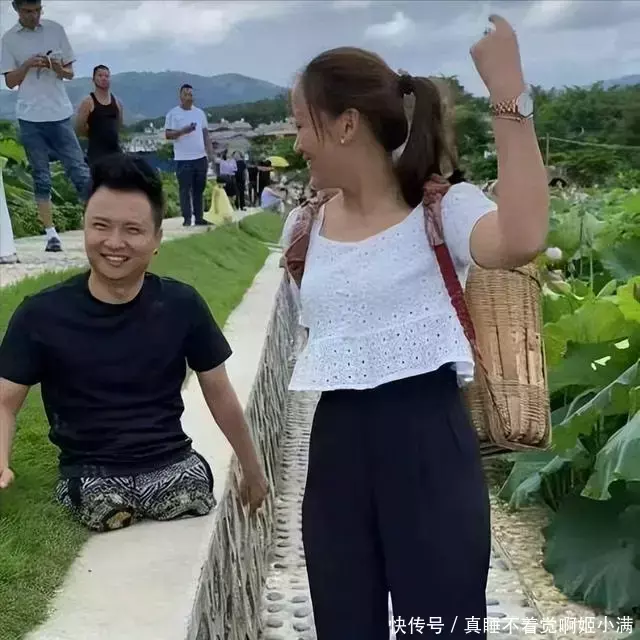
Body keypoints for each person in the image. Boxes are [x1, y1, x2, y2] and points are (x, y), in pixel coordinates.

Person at [281, 16, 549, 640]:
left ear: (346, 124)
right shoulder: (303, 229)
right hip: (336, 449)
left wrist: (508, 95)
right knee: (345, 625)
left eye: (301, 125)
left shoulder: (441, 211)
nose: (297, 144)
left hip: (429, 444)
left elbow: (523, 237)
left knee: (442, 627)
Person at [0, 154, 268, 532]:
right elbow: (5, 401)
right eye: (101, 226)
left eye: (132, 230)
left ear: (157, 239)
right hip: (91, 471)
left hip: (170, 461)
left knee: (191, 491)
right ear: (84, 226)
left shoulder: (182, 305)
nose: (114, 243)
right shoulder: (40, 314)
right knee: (100, 502)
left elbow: (219, 392)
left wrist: (252, 467)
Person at [0, 0, 91, 253]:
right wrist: (27, 65)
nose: (34, 15)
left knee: (80, 172)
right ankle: (51, 235)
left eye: (37, 10)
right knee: (41, 177)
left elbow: (70, 73)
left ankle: (94, 226)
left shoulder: (55, 29)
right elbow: (10, 81)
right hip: (30, 117)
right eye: (28, 11)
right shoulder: (9, 39)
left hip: (59, 113)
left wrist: (55, 66)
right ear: (17, 10)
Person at [164, 84, 214, 227]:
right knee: (185, 189)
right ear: (180, 96)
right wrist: (183, 131)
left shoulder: (199, 113)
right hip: (183, 159)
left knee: (199, 189)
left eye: (191, 95)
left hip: (200, 157)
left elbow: (205, 134)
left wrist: (210, 153)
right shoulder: (173, 114)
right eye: (186, 94)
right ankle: (187, 218)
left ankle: (199, 218)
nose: (188, 97)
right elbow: (168, 134)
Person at [75, 64, 123, 166]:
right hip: (96, 153)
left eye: (106, 76)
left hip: (115, 152)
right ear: (93, 79)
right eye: (100, 75)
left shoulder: (117, 102)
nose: (104, 78)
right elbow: (80, 127)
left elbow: (118, 125)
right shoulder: (88, 102)